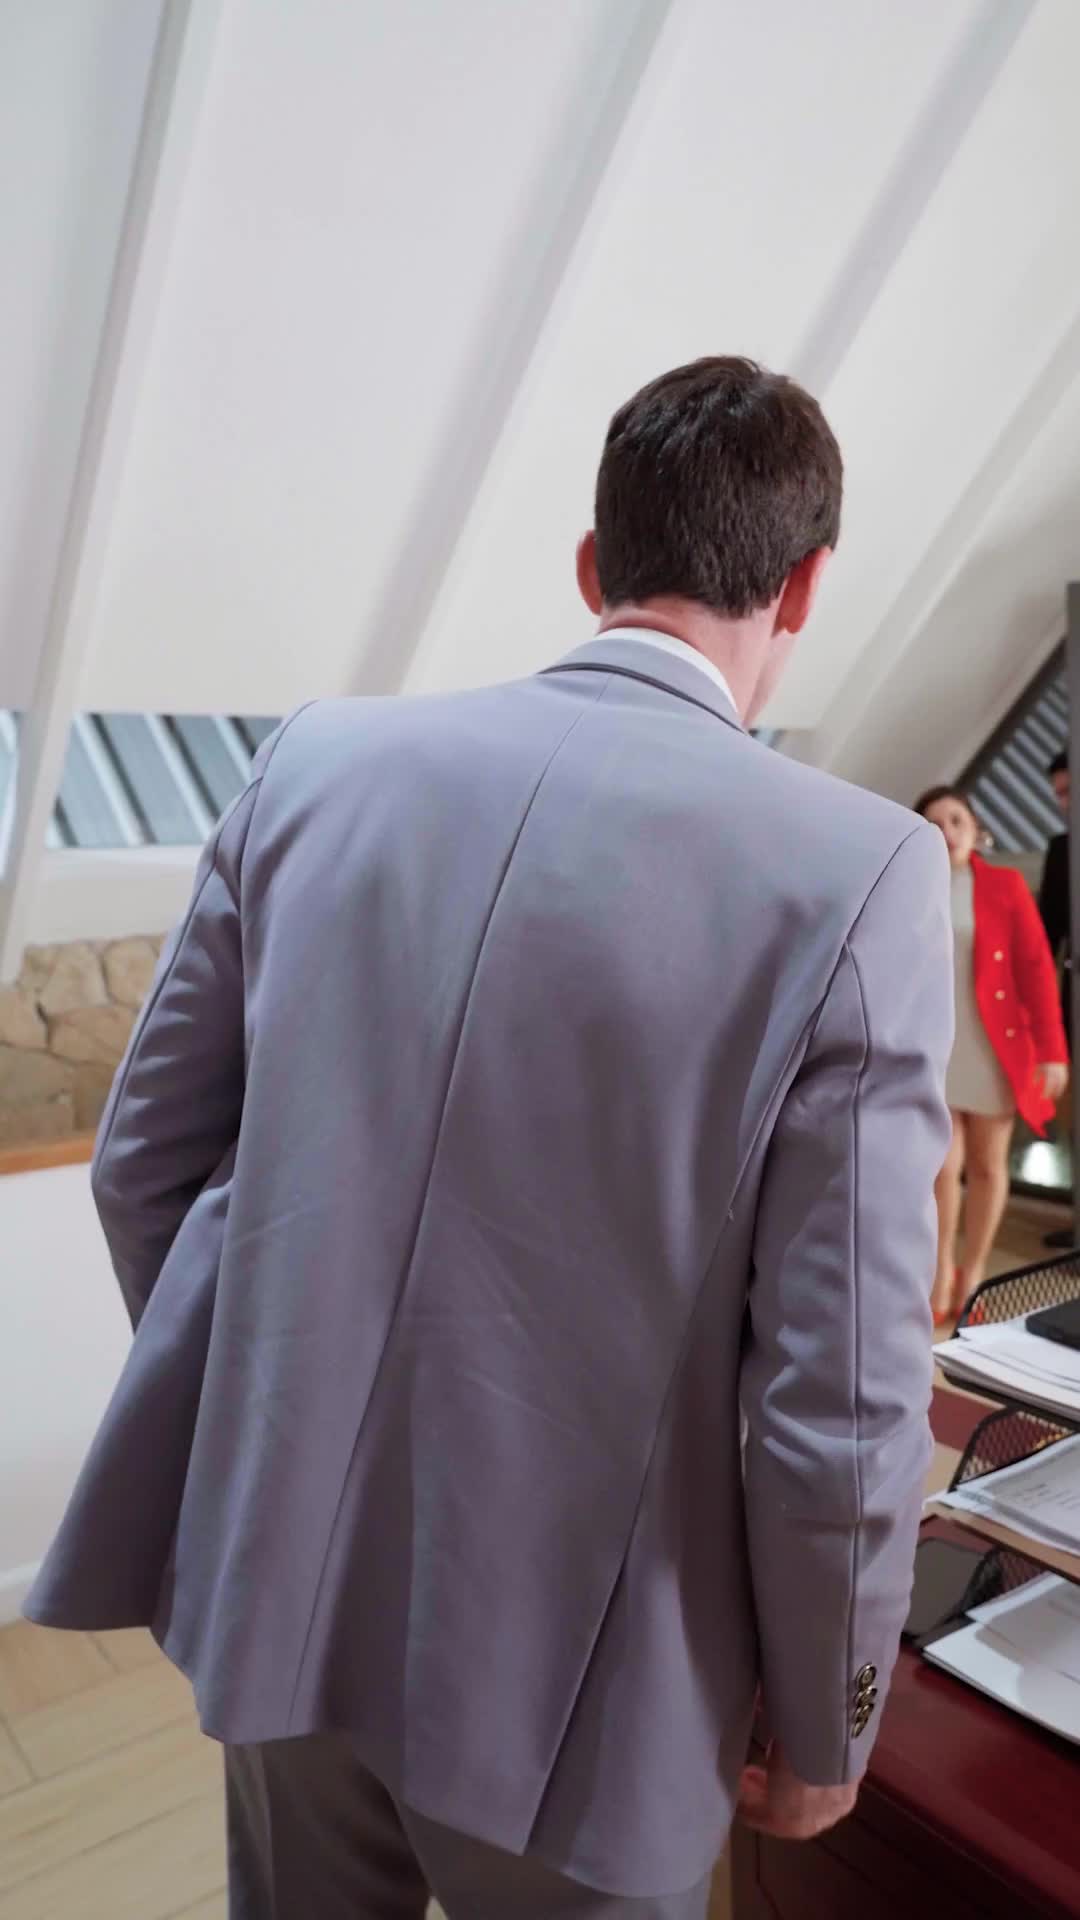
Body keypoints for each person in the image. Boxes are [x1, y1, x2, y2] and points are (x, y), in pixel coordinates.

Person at [28, 358, 953, 1920]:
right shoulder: (857, 874)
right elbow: (843, 1394)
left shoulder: (314, 764)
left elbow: (145, 1169)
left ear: (593, 565)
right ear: (804, 589)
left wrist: (271, 1428)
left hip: (282, 1599)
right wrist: (830, 1708)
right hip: (592, 1698)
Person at [916, 787, 1068, 1322]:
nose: (947, 831)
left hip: (993, 1048)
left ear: (976, 828)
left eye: (956, 819)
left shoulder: (1004, 886)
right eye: (934, 823)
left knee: (986, 1166)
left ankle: (974, 1274)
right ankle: (939, 1273)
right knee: (941, 1167)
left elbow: (1035, 967)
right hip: (935, 1046)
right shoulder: (911, 887)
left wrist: (1052, 1051)